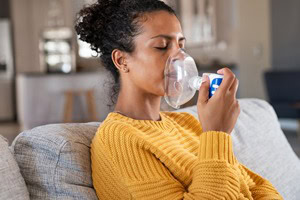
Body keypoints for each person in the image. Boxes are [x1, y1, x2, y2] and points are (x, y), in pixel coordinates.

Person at [75, 0, 283, 199]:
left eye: (180, 46)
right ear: (121, 60)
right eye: (162, 46)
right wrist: (217, 133)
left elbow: (255, 186)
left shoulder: (187, 123)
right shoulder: (119, 139)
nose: (178, 58)